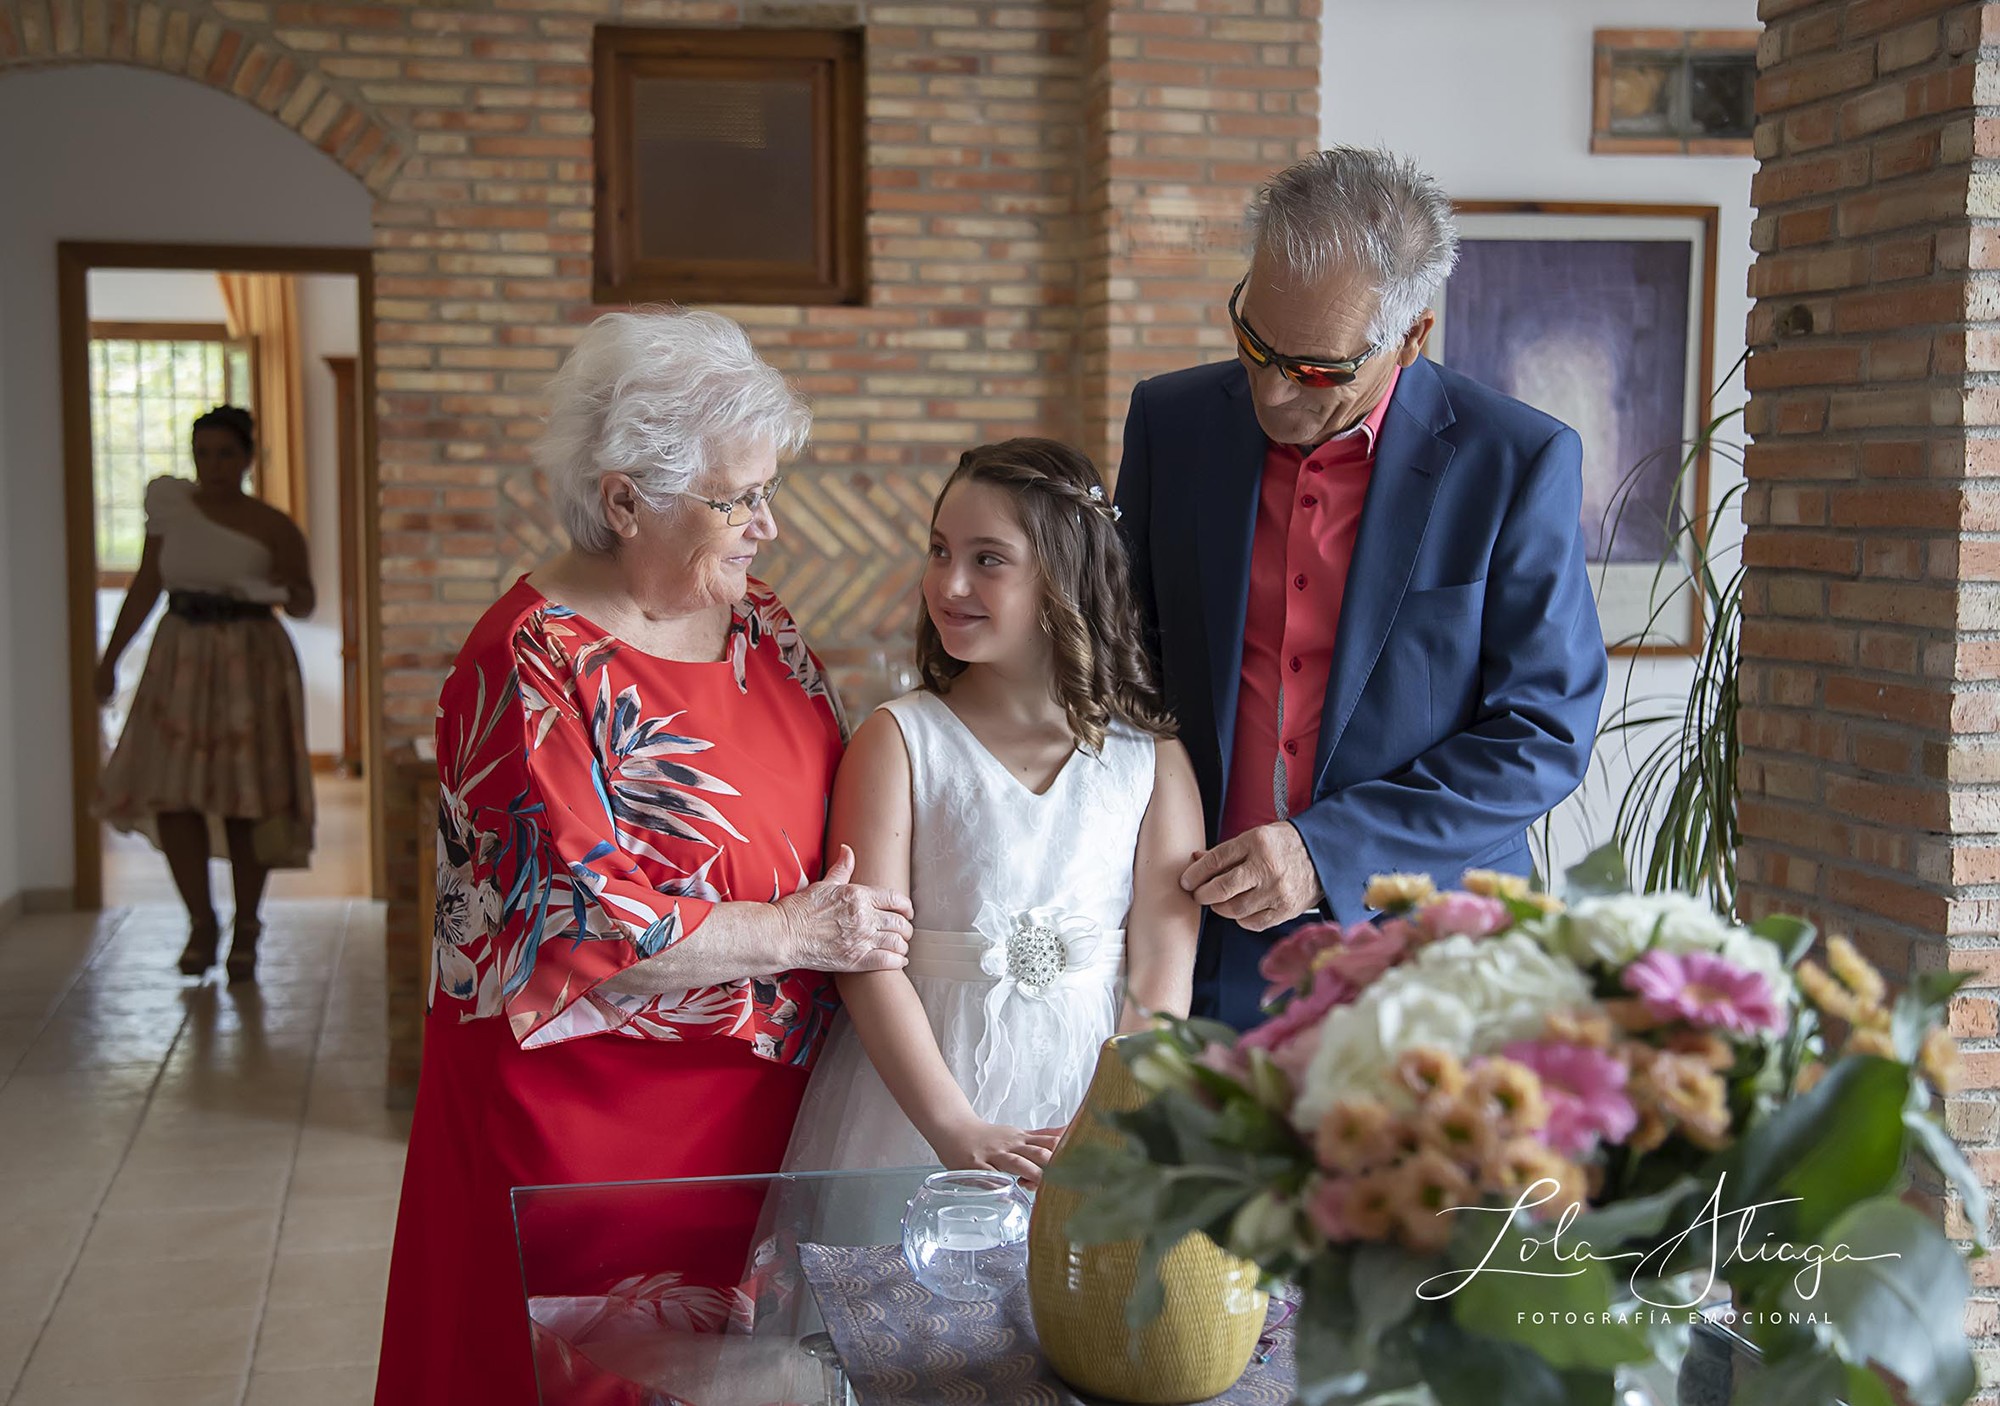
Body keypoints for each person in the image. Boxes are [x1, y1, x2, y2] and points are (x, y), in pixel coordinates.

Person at [373, 310, 914, 1406]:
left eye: (767, 490)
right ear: (625, 501)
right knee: (599, 1380)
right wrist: (798, 930)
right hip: (594, 1137)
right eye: (737, 499)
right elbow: (581, 925)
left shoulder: (760, 623)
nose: (767, 525)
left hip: (765, 1116)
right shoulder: (527, 662)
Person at [1115, 147, 1608, 1031]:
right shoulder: (1170, 423)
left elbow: (1543, 731)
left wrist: (1326, 851)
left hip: (1431, 954)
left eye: (1314, 371)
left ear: (1411, 337)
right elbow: (1124, 657)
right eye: (1252, 343)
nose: (1270, 392)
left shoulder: (1515, 462)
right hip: (1196, 938)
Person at [782, 437, 1204, 1186]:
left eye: (988, 559)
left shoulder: (1153, 763)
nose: (950, 583)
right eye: (940, 550)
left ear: (1064, 578)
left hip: (1095, 1108)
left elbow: (1162, 974)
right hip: (920, 1107)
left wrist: (1117, 1120)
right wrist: (956, 1128)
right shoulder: (899, 742)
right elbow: (868, 960)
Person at [94, 404, 316, 982]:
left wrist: (276, 588)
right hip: (182, 657)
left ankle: (248, 926)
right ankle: (200, 921)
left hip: (250, 660)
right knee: (174, 794)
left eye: (225, 454)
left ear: (246, 459)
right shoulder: (173, 509)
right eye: (203, 454)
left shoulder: (272, 525)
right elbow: (146, 585)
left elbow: (304, 601)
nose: (213, 466)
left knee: (247, 797)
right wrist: (110, 659)